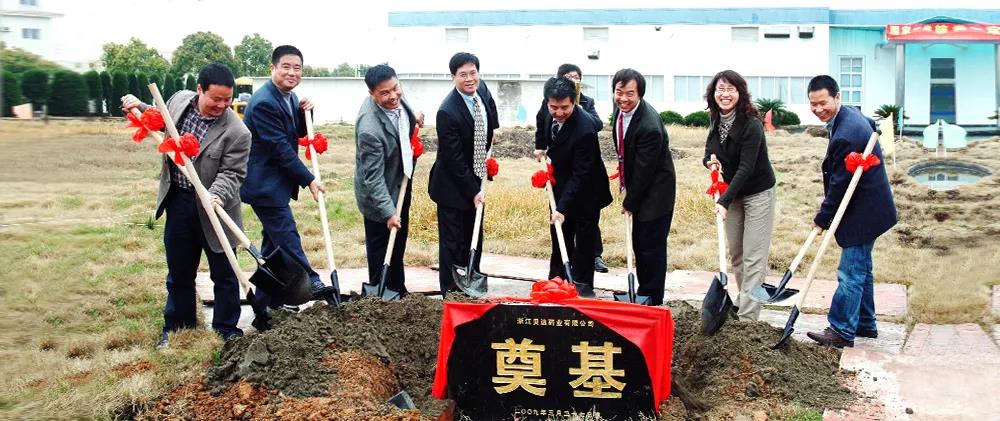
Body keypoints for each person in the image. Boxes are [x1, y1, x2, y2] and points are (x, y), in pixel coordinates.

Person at [122, 63, 250, 348]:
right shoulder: (179, 100)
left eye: (227, 100)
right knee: (179, 271)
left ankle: (226, 329)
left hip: (216, 207)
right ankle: (178, 326)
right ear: (199, 90)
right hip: (179, 200)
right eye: (215, 99)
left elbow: (233, 173)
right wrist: (139, 107)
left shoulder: (237, 132)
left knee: (225, 273)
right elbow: (161, 121)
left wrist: (215, 195)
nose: (222, 105)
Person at [239, 45, 330, 328]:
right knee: (287, 236)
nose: (292, 72)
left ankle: (265, 309)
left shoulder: (287, 97)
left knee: (272, 250)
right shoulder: (264, 102)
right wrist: (309, 179)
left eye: (297, 68)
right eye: (286, 67)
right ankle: (312, 279)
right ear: (273, 68)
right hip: (264, 186)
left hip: (275, 184)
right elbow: (280, 149)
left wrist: (306, 114)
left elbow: (296, 132)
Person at [804, 75, 897, 348]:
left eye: (823, 103)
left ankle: (842, 330)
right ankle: (865, 323)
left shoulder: (847, 134)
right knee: (862, 268)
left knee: (850, 271)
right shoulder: (849, 116)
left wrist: (822, 219)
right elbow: (868, 123)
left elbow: (840, 185)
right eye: (813, 104)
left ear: (837, 97)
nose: (818, 109)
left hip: (863, 211)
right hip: (870, 205)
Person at [701, 70, 777, 321]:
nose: (725, 94)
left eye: (730, 89)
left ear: (740, 93)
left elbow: (746, 167)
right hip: (733, 193)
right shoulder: (716, 119)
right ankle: (745, 301)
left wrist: (724, 200)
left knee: (754, 257)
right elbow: (710, 150)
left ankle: (747, 318)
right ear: (713, 93)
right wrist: (709, 162)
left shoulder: (751, 124)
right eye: (720, 89)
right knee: (737, 254)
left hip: (758, 193)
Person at [429, 52, 499, 295]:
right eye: (462, 75)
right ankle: (450, 292)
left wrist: (491, 135)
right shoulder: (447, 112)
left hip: (476, 179)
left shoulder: (482, 92)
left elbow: (491, 115)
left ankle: (471, 281)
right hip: (452, 186)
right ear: (453, 77)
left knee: (473, 237)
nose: (469, 79)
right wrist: (473, 191)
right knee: (453, 242)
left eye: (473, 73)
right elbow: (455, 160)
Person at [354, 64, 424, 296]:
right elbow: (373, 178)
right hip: (377, 195)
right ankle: (380, 297)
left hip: (400, 180)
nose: (393, 96)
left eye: (395, 88)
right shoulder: (369, 129)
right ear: (372, 94)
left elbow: (403, 113)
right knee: (381, 246)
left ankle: (398, 289)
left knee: (398, 242)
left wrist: (414, 120)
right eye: (385, 93)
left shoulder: (396, 97)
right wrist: (388, 213)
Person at [532, 63, 609, 274]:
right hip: (561, 181)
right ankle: (557, 281)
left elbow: (581, 175)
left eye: (565, 108)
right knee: (559, 236)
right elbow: (541, 121)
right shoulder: (548, 108)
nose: (559, 113)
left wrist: (562, 208)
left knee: (584, 245)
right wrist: (540, 146)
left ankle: (582, 286)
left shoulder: (585, 129)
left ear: (574, 102)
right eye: (554, 108)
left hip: (587, 190)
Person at [611, 68, 676, 306]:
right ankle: (643, 292)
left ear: (640, 94)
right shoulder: (620, 111)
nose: (623, 99)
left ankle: (652, 298)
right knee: (640, 243)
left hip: (655, 193)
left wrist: (630, 201)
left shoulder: (649, 126)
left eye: (630, 94)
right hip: (639, 186)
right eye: (619, 92)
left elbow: (644, 172)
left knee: (650, 247)